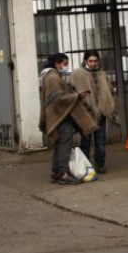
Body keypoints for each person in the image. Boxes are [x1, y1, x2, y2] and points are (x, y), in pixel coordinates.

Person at [41, 53, 97, 185]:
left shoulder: (49, 76)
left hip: (57, 116)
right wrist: (77, 95)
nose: (66, 67)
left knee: (58, 145)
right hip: (61, 117)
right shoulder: (54, 77)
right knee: (64, 146)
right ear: (57, 63)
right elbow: (59, 98)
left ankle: (56, 172)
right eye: (65, 64)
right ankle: (63, 173)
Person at [72, 49, 115, 174]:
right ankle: (85, 166)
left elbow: (110, 90)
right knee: (85, 141)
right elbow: (71, 89)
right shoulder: (78, 74)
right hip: (85, 114)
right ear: (86, 61)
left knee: (100, 141)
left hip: (100, 113)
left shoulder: (102, 74)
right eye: (90, 61)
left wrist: (106, 106)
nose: (93, 63)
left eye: (95, 61)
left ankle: (100, 165)